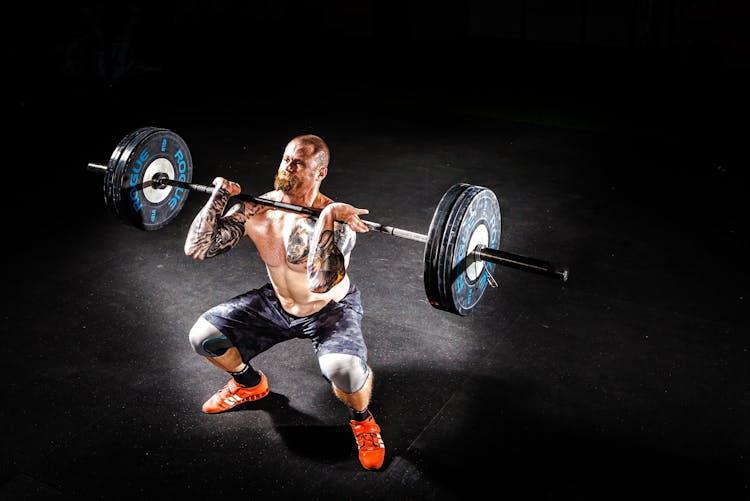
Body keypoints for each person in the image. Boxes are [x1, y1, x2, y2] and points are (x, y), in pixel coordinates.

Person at [183, 134, 385, 471]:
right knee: (203, 337)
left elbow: (320, 283)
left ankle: (362, 420)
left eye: (299, 163)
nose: (288, 167)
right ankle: (249, 385)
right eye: (286, 158)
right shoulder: (257, 209)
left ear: (320, 172)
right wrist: (219, 198)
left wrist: (327, 217)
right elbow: (198, 248)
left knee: (345, 372)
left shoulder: (338, 221)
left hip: (328, 309)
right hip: (277, 302)